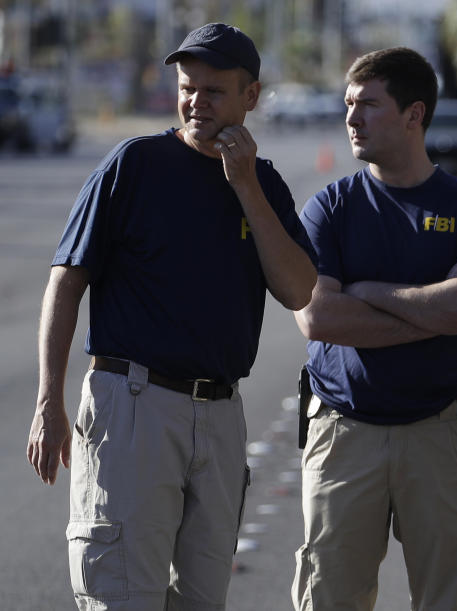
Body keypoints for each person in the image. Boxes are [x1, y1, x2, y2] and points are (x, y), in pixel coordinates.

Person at [25, 23, 317, 610]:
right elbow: (66, 280)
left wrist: (247, 192)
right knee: (123, 594)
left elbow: (299, 288)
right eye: (187, 87)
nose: (195, 102)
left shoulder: (266, 186)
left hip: (221, 414)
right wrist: (47, 399)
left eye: (214, 91)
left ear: (250, 97)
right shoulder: (136, 164)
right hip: (133, 404)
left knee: (201, 601)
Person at [290, 47, 457, 611]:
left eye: (368, 104)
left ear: (414, 115)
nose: (351, 117)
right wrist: (438, 309)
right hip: (344, 433)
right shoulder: (329, 209)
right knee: (330, 599)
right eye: (348, 104)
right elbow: (317, 317)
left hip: (441, 433)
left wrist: (367, 293)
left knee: (452, 599)